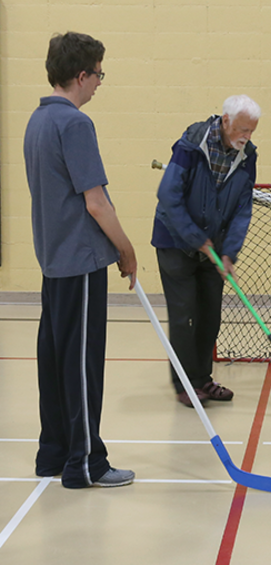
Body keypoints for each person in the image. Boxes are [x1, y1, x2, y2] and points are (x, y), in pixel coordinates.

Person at [24, 32, 137, 488]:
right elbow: (96, 203)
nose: (99, 85)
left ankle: (53, 452)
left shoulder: (36, 121)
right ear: (80, 75)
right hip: (81, 262)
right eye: (98, 75)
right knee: (82, 365)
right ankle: (86, 463)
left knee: (54, 360)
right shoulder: (74, 125)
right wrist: (125, 250)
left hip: (53, 262)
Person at [151, 95, 260, 407]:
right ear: (225, 121)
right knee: (184, 315)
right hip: (175, 243)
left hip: (213, 249)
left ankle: (201, 379)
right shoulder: (190, 145)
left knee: (209, 316)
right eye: (242, 129)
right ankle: (184, 384)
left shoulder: (247, 157)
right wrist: (194, 237)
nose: (246, 137)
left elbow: (242, 209)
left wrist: (230, 252)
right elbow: (168, 195)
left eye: (251, 131)